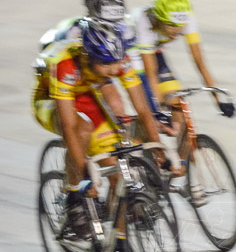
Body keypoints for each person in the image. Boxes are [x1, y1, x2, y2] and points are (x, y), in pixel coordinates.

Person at [32, 18, 180, 239]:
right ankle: (73, 196)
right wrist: (84, 176)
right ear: (88, 57)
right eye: (105, 64)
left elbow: (142, 110)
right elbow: (69, 126)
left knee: (118, 170)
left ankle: (119, 245)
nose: (113, 69)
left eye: (116, 63)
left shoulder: (119, 61)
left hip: (86, 94)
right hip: (50, 99)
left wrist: (160, 152)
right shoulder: (65, 64)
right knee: (82, 130)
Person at [129, 0, 235, 157]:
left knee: (181, 107)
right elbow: (151, 71)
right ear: (159, 18)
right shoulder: (145, 21)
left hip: (154, 51)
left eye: (180, 25)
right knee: (151, 112)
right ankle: (141, 152)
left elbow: (199, 61)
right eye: (171, 25)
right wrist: (155, 111)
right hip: (132, 54)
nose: (177, 30)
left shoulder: (186, 17)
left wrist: (218, 100)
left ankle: (179, 176)